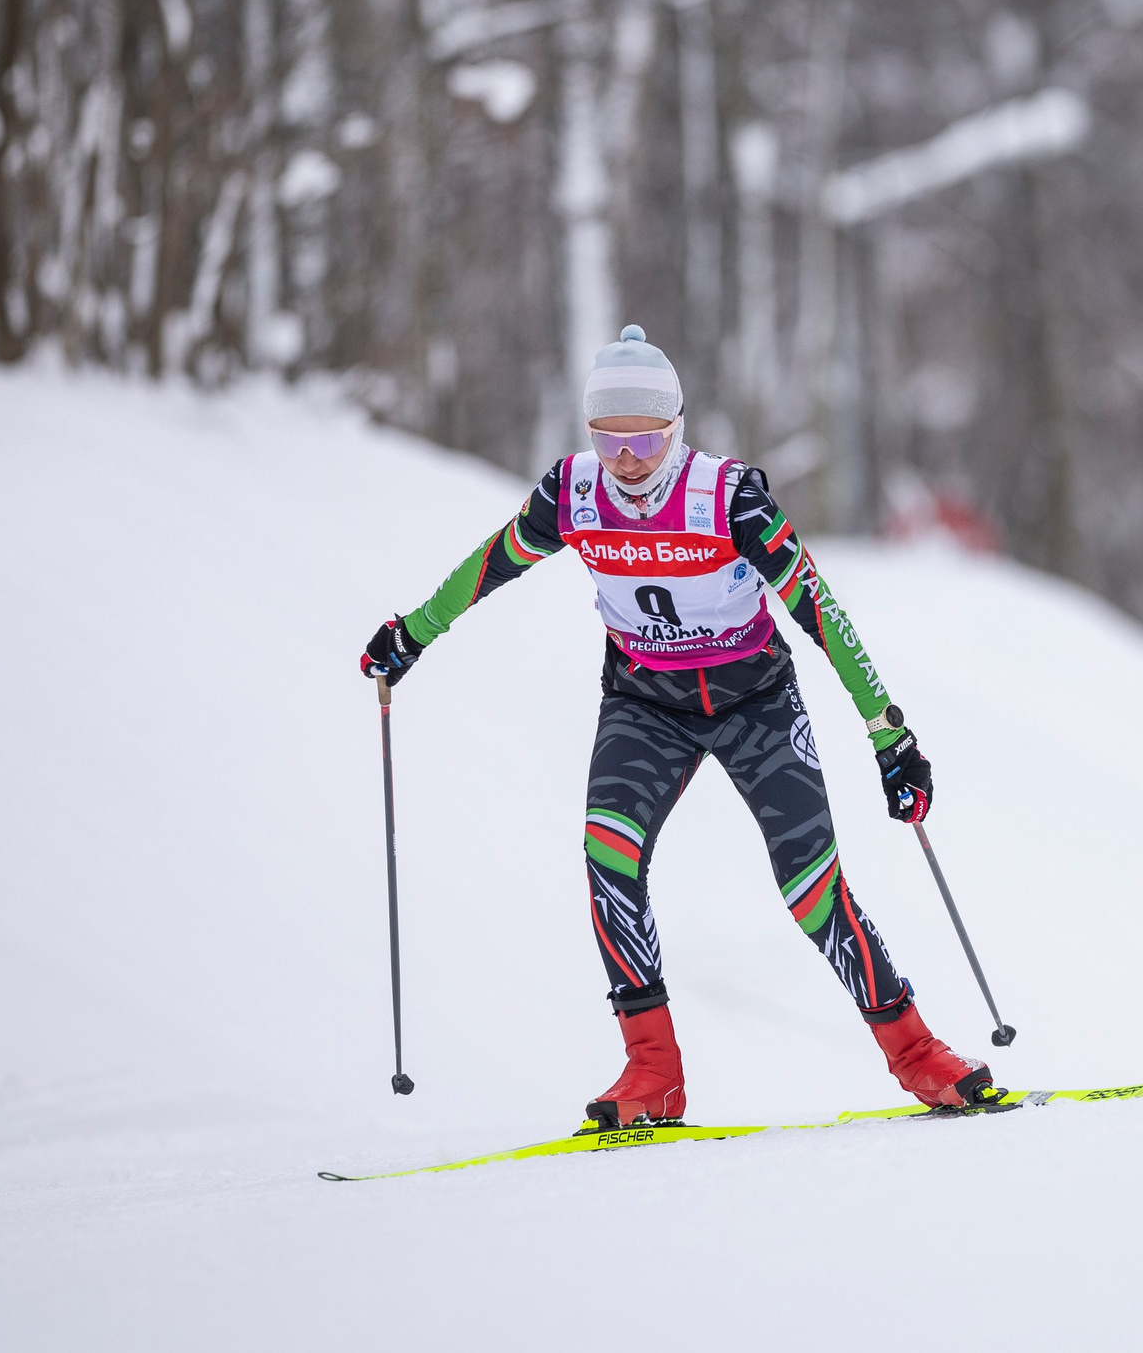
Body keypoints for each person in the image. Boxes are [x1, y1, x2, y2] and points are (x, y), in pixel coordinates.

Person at [359, 326, 992, 1126]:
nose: (627, 458)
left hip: (753, 700)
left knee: (810, 891)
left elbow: (821, 612)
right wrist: (412, 633)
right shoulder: (573, 494)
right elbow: (490, 565)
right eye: (608, 437)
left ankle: (917, 1053)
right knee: (607, 851)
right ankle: (652, 1070)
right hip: (646, 703)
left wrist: (888, 735)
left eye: (647, 437)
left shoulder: (729, 498)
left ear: (678, 427)